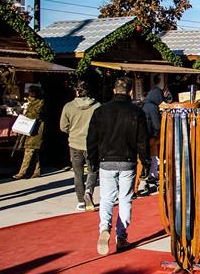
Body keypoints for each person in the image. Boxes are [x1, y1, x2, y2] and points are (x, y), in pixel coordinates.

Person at [87, 77, 150, 255]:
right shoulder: (137, 112)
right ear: (130, 92)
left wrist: (92, 160)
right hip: (127, 160)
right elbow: (142, 141)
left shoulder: (100, 111)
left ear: (114, 91)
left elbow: (91, 138)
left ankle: (104, 228)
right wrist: (145, 162)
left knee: (107, 198)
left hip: (106, 160)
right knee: (125, 198)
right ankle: (121, 236)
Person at [60, 81, 100, 212]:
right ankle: (89, 191)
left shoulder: (68, 106)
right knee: (93, 170)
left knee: (78, 173)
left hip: (75, 143)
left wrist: (73, 131)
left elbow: (63, 127)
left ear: (77, 92)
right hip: (92, 144)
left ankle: (80, 200)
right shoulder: (97, 106)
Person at [13, 85, 45, 180]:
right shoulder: (32, 102)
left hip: (35, 131)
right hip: (30, 129)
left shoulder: (40, 103)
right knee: (35, 151)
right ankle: (37, 171)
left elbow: (35, 114)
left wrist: (25, 111)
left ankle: (22, 172)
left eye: (30, 95)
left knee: (29, 150)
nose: (29, 97)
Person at [139, 77, 164, 194]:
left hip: (143, 136)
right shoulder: (153, 107)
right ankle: (153, 176)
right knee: (154, 155)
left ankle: (147, 177)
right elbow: (157, 125)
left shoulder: (144, 104)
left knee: (146, 158)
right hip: (151, 137)